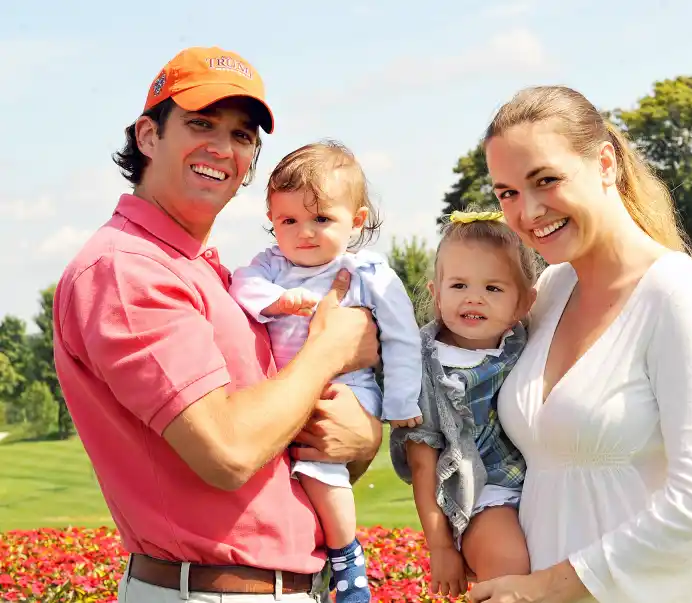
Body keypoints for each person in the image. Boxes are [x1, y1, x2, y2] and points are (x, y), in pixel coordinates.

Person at [52, 46, 382, 603]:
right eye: (200, 123)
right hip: (210, 591)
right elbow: (227, 451)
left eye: (242, 135)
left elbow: (285, 439)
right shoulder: (126, 268)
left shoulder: (206, 271)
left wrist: (363, 438)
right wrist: (328, 350)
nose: (223, 148)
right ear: (148, 136)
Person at [467, 85, 692, 603]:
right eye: (506, 192)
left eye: (545, 180)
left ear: (605, 163)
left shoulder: (677, 296)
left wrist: (547, 588)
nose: (527, 212)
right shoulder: (548, 292)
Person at [229, 140, 423, 603]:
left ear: (355, 221)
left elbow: (401, 338)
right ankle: (312, 554)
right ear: (272, 221)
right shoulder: (271, 267)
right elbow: (242, 285)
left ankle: (346, 555)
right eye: (288, 221)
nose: (305, 234)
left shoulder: (366, 272)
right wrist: (275, 301)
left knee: (319, 469)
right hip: (286, 388)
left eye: (321, 219)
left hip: (346, 388)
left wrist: (399, 402)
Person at [391, 209, 538, 598]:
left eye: (493, 288)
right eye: (458, 285)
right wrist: (439, 547)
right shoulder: (424, 366)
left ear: (524, 303)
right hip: (480, 496)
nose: (474, 297)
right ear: (436, 294)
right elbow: (424, 465)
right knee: (508, 566)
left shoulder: (527, 344)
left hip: (545, 486)